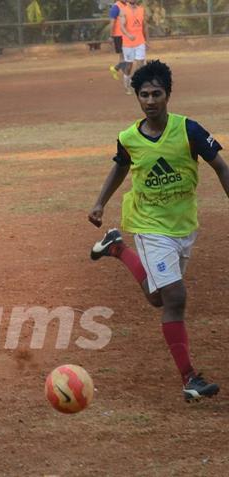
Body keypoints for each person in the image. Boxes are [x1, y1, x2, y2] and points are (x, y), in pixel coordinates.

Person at [88, 60, 227, 402]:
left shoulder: (189, 130)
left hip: (183, 226)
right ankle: (189, 378)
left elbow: (221, 167)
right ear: (137, 97)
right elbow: (120, 168)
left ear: (168, 95)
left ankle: (117, 248)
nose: (150, 101)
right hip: (150, 225)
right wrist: (100, 202)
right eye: (144, 95)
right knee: (175, 298)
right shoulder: (129, 138)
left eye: (156, 94)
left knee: (156, 298)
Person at [118, 0, 148, 95]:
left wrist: (147, 40)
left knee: (140, 64)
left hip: (140, 41)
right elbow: (122, 27)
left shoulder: (142, 10)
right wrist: (128, 35)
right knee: (129, 66)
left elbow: (144, 26)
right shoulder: (123, 11)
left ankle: (135, 81)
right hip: (128, 43)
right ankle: (126, 83)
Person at [108, 0, 129, 81]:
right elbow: (112, 22)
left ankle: (116, 69)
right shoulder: (115, 7)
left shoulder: (128, 5)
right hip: (118, 35)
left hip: (126, 35)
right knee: (123, 56)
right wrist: (111, 36)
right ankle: (126, 76)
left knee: (127, 56)